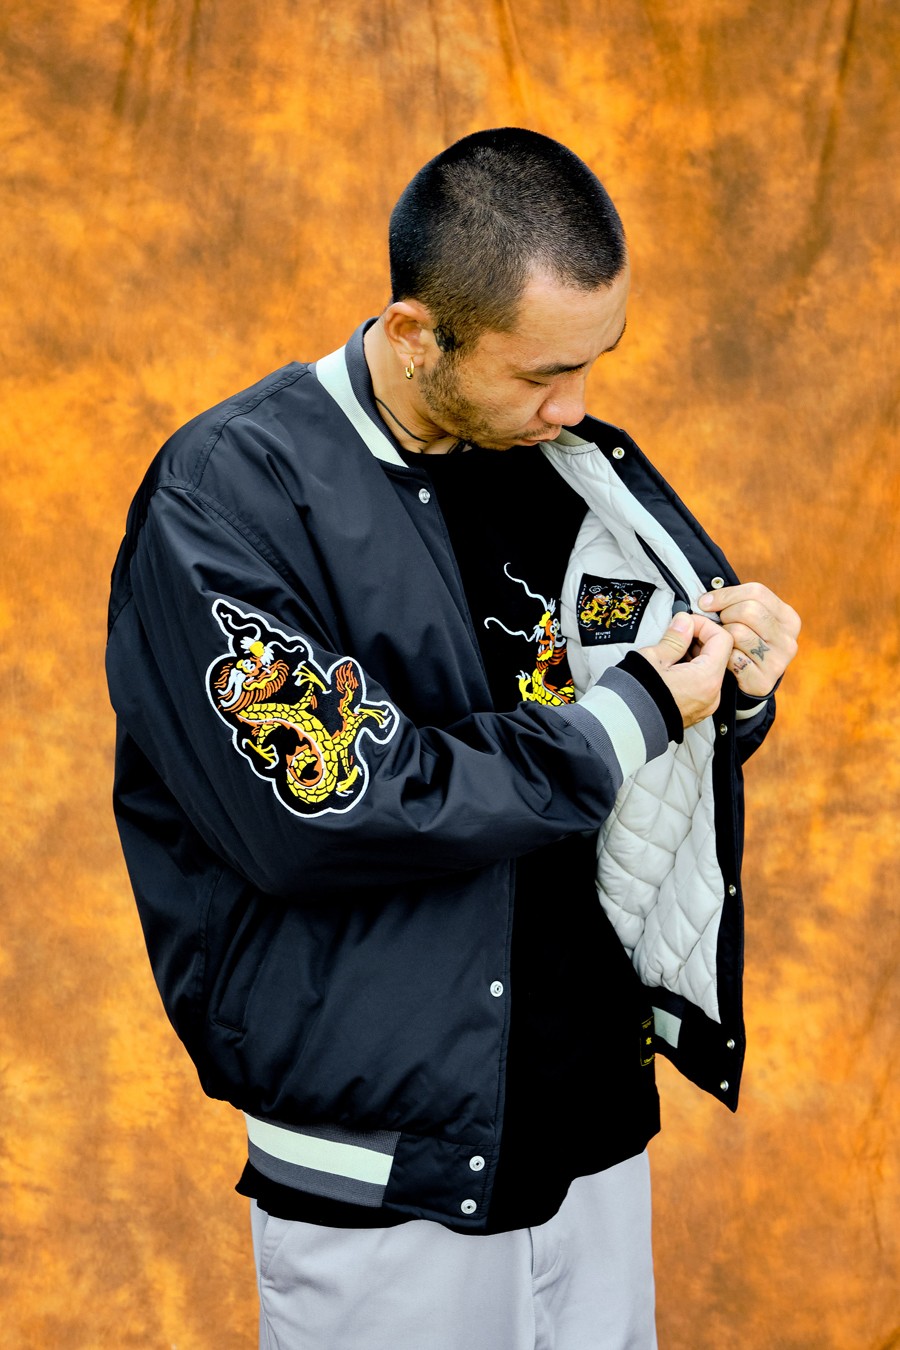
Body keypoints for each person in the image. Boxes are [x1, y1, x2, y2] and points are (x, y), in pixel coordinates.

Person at [106, 128, 800, 1349]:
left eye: (595, 363)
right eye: (543, 372)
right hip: (388, 1166)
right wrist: (635, 713)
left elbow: (629, 755)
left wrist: (726, 690)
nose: (574, 407)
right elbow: (331, 808)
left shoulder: (559, 469)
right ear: (417, 333)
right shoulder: (230, 493)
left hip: (593, 1127)